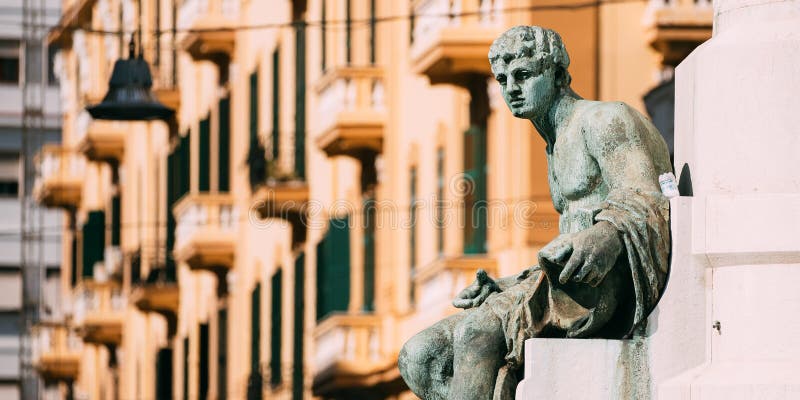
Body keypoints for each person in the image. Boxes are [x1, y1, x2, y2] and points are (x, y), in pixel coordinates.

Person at [398, 26, 673, 400]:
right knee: (420, 356)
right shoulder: (554, 144)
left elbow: (648, 196)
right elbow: (566, 241)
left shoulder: (605, 120)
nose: (511, 87)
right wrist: (507, 285)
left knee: (475, 333)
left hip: (605, 283)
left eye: (524, 75)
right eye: (503, 79)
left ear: (559, 75)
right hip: (566, 282)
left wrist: (605, 233)